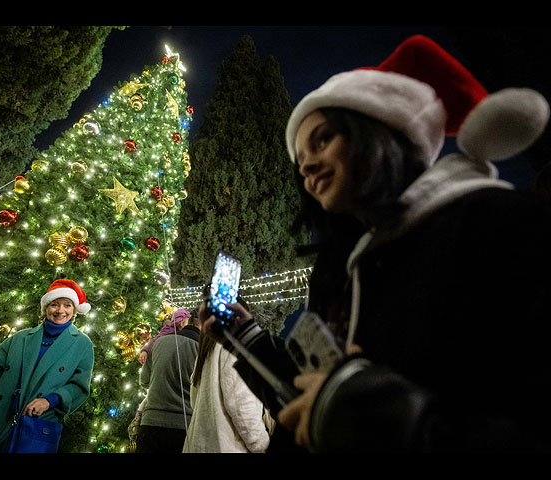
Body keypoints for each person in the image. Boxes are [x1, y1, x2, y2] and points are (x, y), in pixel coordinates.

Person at [201, 35, 551, 452]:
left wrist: (398, 420)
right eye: (299, 156)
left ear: (378, 133)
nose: (307, 163)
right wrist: (247, 336)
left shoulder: (498, 223)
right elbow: (315, 399)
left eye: (323, 139)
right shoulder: (344, 266)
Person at [0, 279, 95, 453]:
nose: (60, 311)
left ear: (74, 311)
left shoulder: (83, 345)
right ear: (45, 308)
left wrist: (50, 401)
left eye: (67, 305)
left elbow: (79, 386)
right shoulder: (19, 338)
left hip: (36, 426)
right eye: (54, 304)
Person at [183, 303, 270, 453]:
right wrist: (261, 444)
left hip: (200, 443)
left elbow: (194, 398)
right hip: (227, 445)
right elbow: (241, 402)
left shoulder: (207, 349)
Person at [137, 308, 200, 453]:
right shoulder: (203, 350)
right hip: (184, 427)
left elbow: (144, 381)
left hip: (150, 424)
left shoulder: (159, 342)